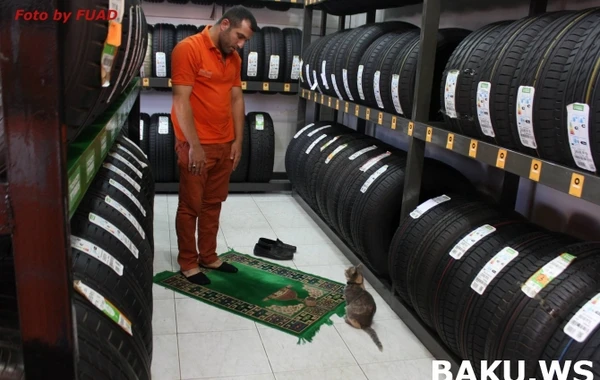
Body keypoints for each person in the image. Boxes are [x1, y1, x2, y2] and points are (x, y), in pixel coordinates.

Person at [170, 6, 257, 285]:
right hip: (196, 144)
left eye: (245, 41)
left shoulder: (233, 58)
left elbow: (236, 100)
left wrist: (237, 142)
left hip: (223, 144)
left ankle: (208, 256)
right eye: (239, 37)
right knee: (190, 206)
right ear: (225, 24)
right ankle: (188, 262)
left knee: (213, 204)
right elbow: (181, 101)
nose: (241, 45)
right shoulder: (188, 49)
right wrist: (193, 146)